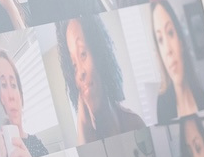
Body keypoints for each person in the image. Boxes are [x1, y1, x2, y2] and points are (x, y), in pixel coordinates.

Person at [57, 14, 145, 144]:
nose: (80, 72)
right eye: (74, 65)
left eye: (83, 54)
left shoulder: (135, 124)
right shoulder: (84, 139)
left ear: (99, 54)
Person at [152, 0, 204, 123]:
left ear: (181, 42)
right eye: (160, 39)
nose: (168, 50)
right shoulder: (162, 106)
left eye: (170, 33)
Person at [0, 50, 49, 157]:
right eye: (3, 85)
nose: (11, 96)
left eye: (13, 85)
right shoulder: (0, 149)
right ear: (0, 97)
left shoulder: (37, 145)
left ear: (21, 96)